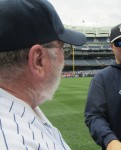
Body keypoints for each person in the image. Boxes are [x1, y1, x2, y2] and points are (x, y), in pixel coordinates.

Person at [0, 0, 86, 149]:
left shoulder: (22, 106)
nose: (64, 61)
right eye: (63, 50)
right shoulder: (18, 142)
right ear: (38, 60)